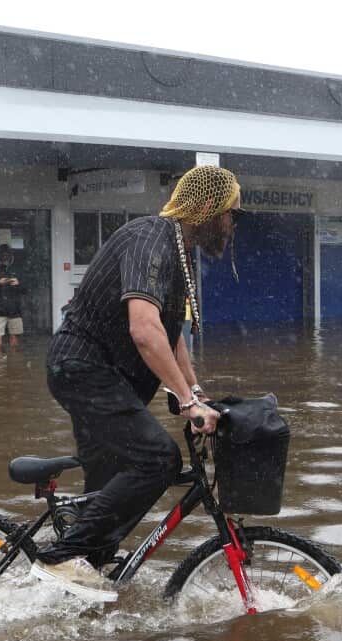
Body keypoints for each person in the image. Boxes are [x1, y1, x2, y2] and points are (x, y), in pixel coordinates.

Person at [30, 166, 242, 601]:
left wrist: (197, 392)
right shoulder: (150, 241)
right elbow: (144, 330)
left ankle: (76, 583)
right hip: (81, 367)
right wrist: (185, 402)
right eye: (230, 214)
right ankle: (60, 557)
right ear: (206, 209)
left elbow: (170, 335)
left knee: (107, 490)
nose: (232, 224)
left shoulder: (179, 253)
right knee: (157, 460)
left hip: (108, 380)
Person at [0, 244, 24, 353]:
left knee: (14, 340)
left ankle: (14, 364)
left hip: (14, 310)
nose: (5, 257)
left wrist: (18, 284)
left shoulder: (18, 269)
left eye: (7, 255)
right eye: (2, 255)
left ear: (10, 255)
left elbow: (26, 289)